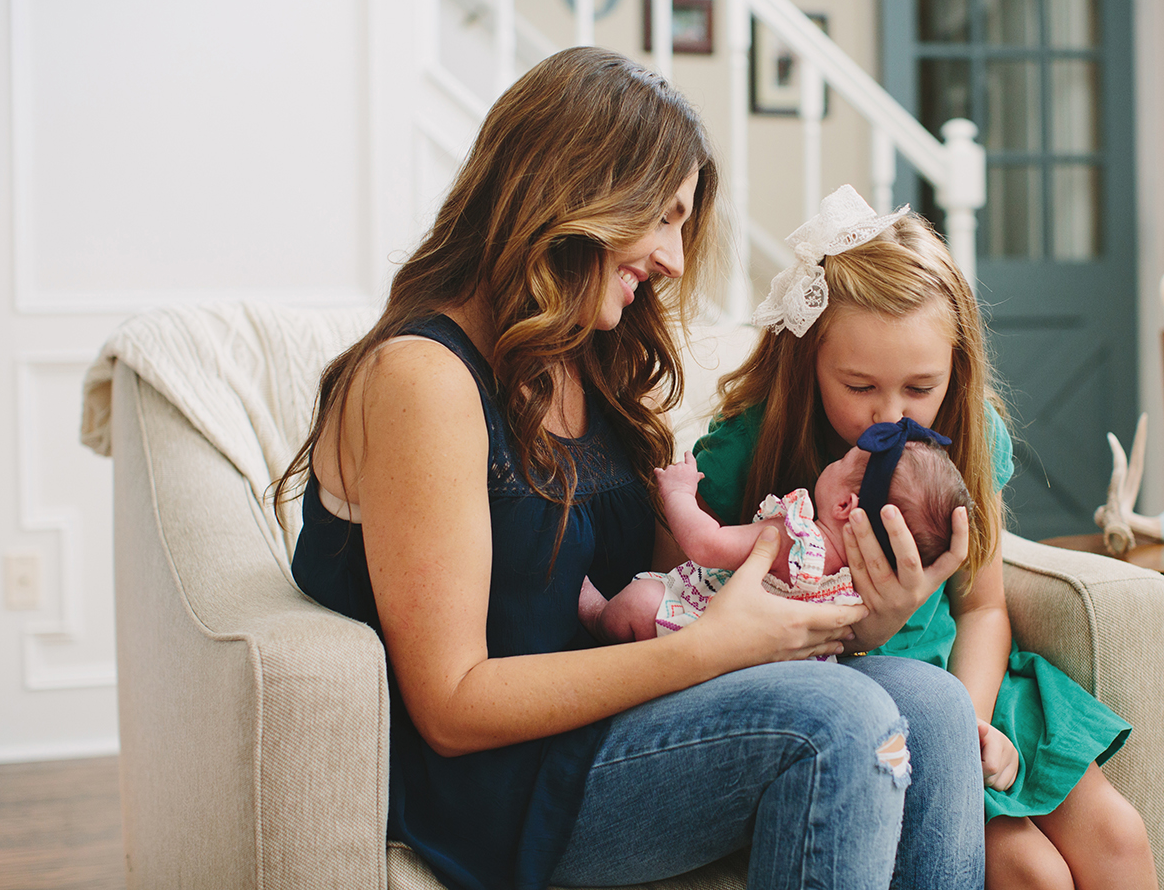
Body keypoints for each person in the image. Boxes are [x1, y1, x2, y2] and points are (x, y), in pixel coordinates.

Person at [276, 48, 988, 890]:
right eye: (664, 218)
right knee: (840, 718)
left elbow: (678, 585)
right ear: (576, 193)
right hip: (508, 780)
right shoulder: (423, 377)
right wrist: (712, 652)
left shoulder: (585, 359)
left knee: (934, 703)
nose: (676, 260)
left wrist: (861, 617)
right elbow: (452, 706)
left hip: (629, 712)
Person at [694, 184, 1158, 890]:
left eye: (919, 388)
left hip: (971, 691)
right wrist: (864, 630)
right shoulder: (747, 448)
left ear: (955, 371)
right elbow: (686, 611)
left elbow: (983, 606)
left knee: (1119, 838)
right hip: (853, 706)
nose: (891, 416)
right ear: (807, 362)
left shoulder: (968, 437)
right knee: (1032, 872)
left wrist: (972, 724)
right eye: (859, 387)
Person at [581, 424, 969, 647]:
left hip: (705, 638)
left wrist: (678, 493)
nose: (833, 462)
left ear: (844, 505)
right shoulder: (856, 587)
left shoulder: (795, 538)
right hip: (769, 670)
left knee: (642, 601)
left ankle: (595, 616)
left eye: (843, 460)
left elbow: (705, 544)